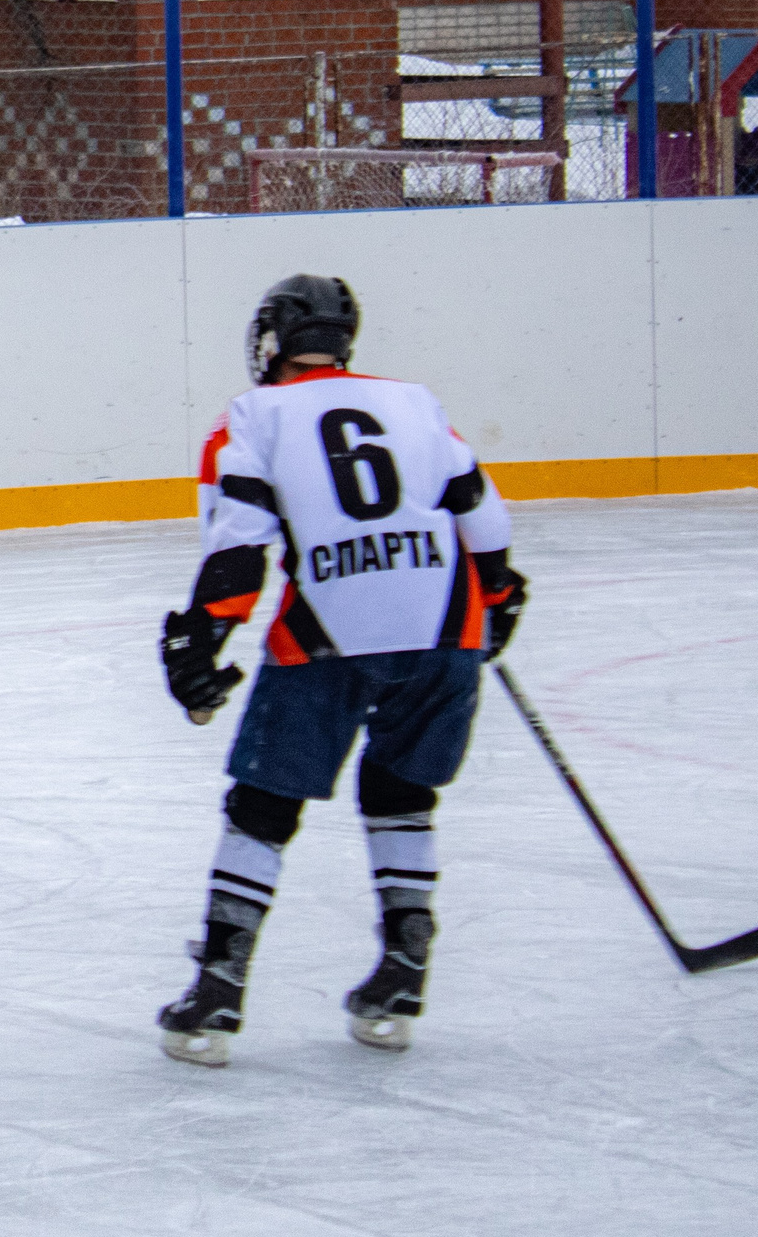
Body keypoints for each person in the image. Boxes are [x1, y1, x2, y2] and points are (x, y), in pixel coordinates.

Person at [154, 274, 527, 1066]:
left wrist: (201, 641)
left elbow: (239, 544)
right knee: (401, 793)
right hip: (443, 629)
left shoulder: (248, 419)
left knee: (263, 802)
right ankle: (404, 959)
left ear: (271, 343)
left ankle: (218, 988)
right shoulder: (414, 401)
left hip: (329, 634)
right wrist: (496, 595)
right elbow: (481, 512)